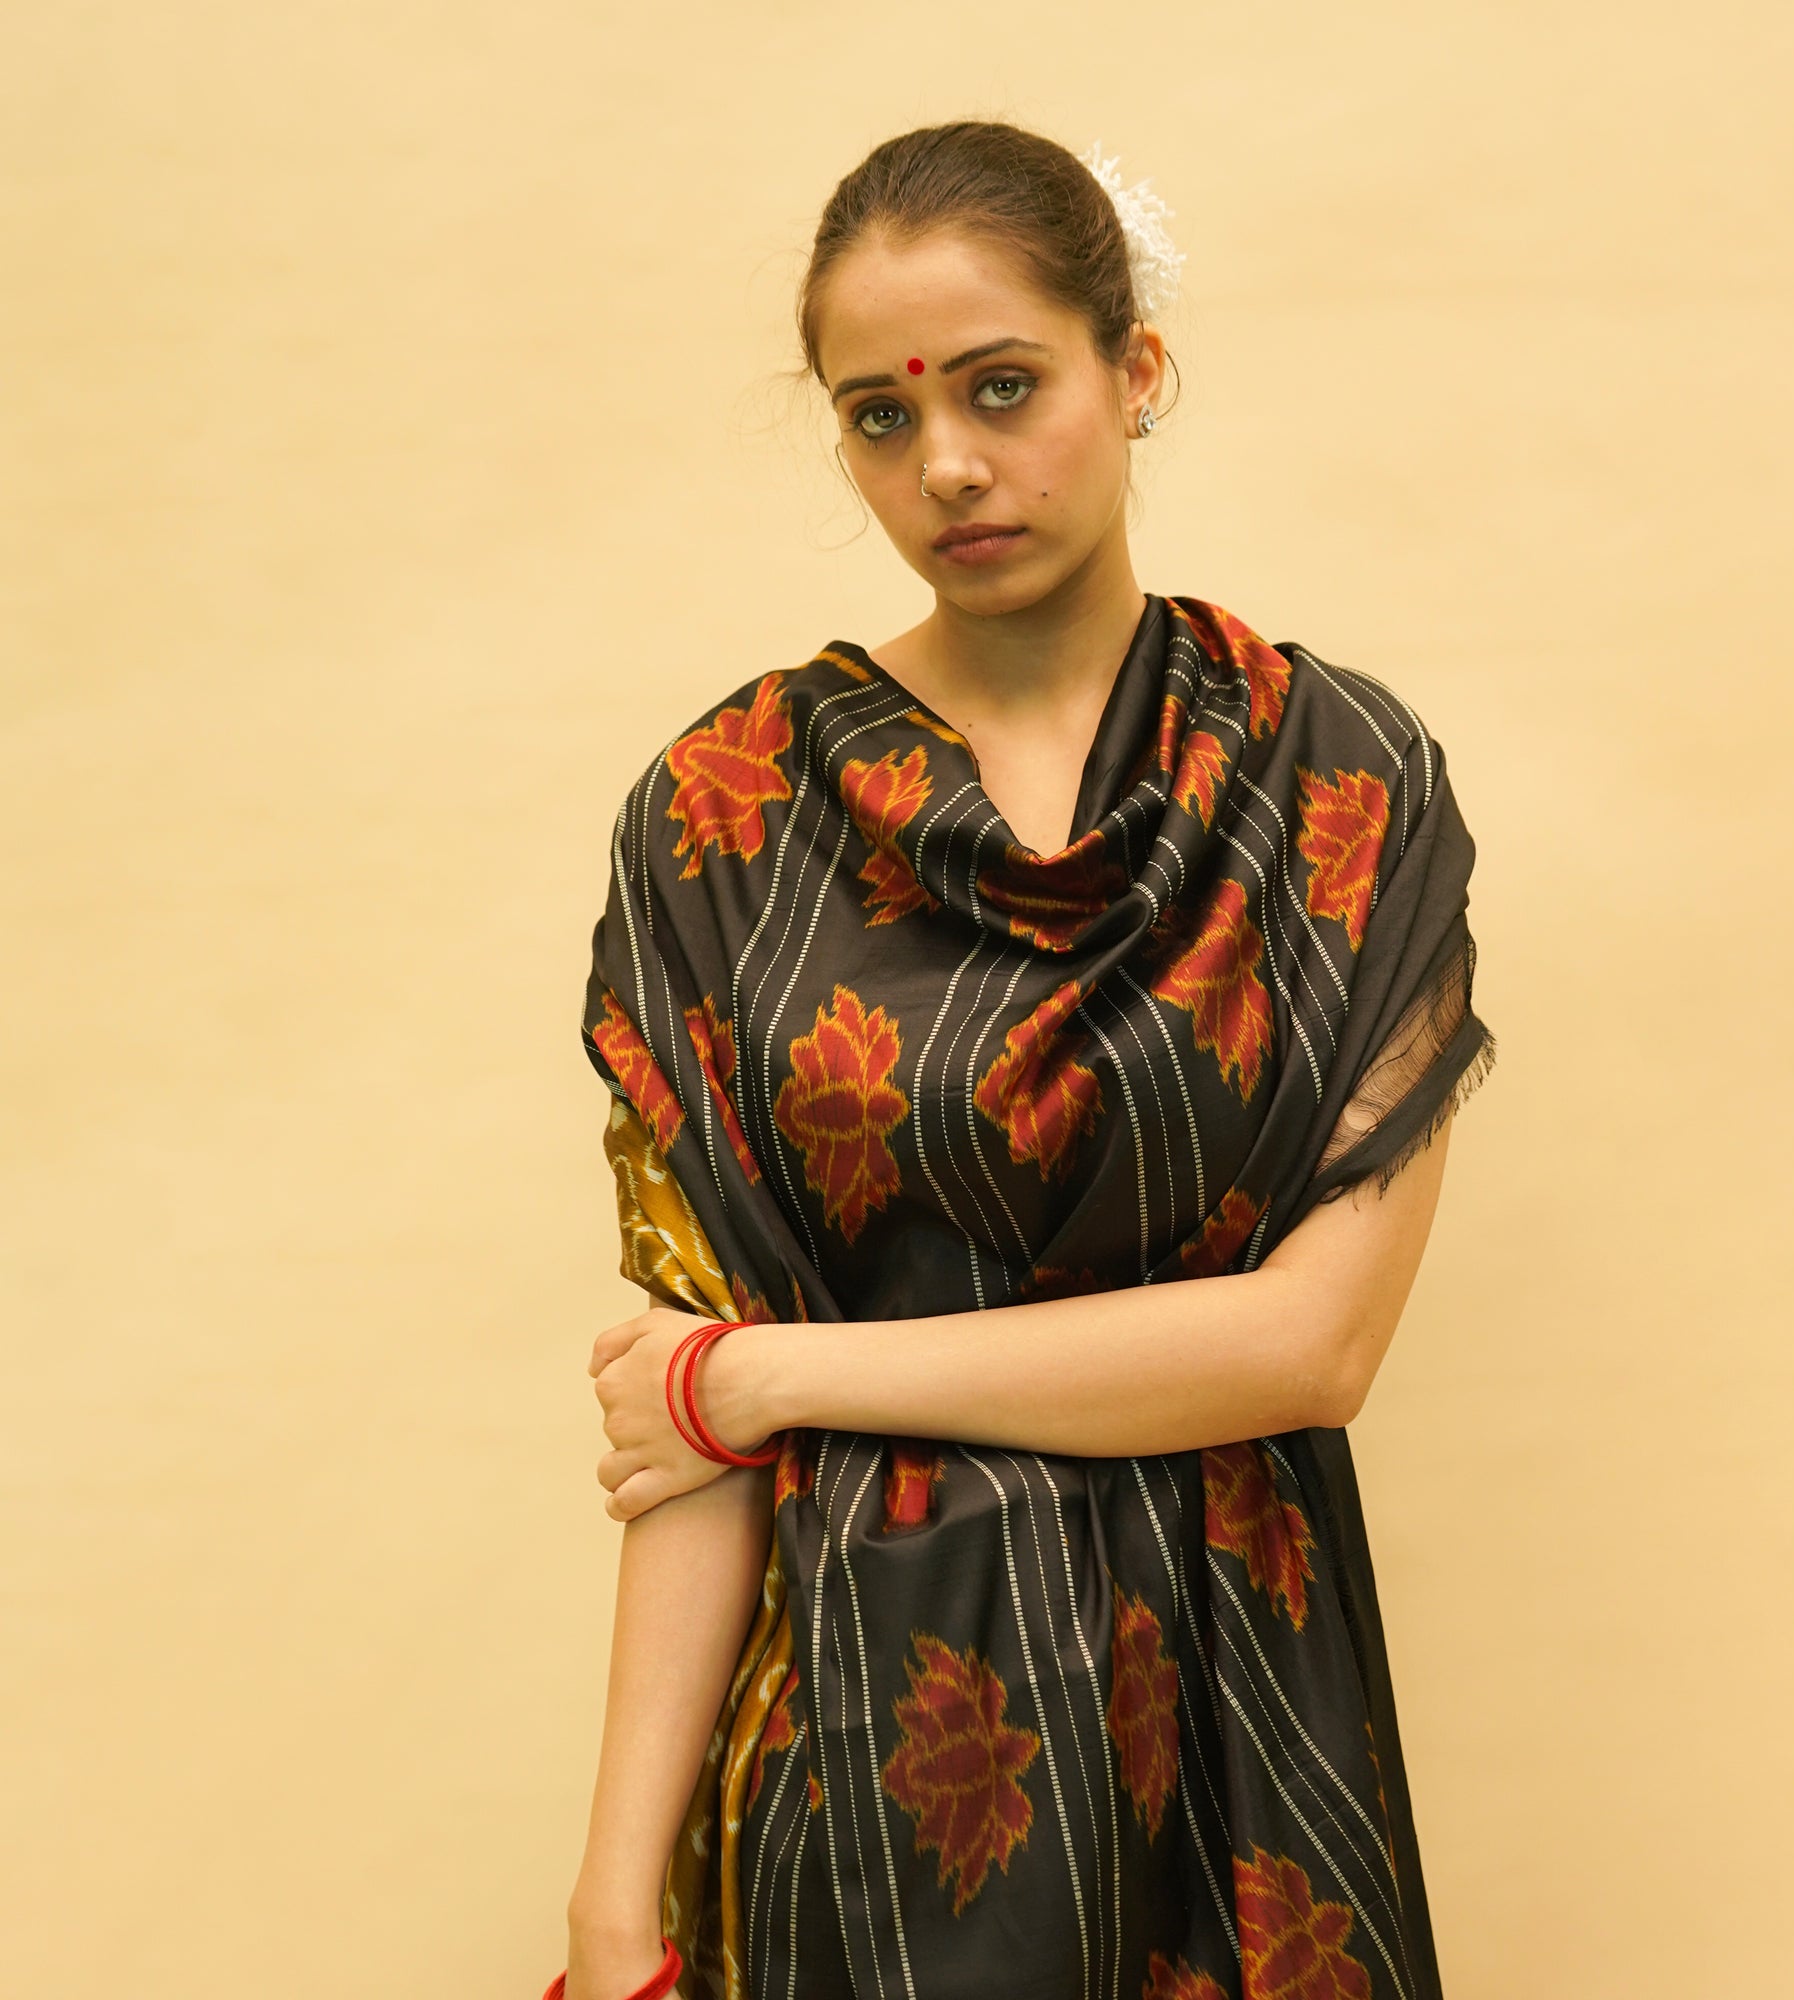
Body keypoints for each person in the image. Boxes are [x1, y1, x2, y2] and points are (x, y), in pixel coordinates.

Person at [552, 119, 1496, 2000]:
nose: (949, 467)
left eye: (1002, 387)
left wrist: (778, 1374)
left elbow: (1311, 1345)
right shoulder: (727, 814)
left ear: (1134, 368)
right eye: (879, 418)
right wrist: (612, 1903)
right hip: (868, 1740)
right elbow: (687, 1436)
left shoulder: (1337, 782)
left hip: (1245, 1730)